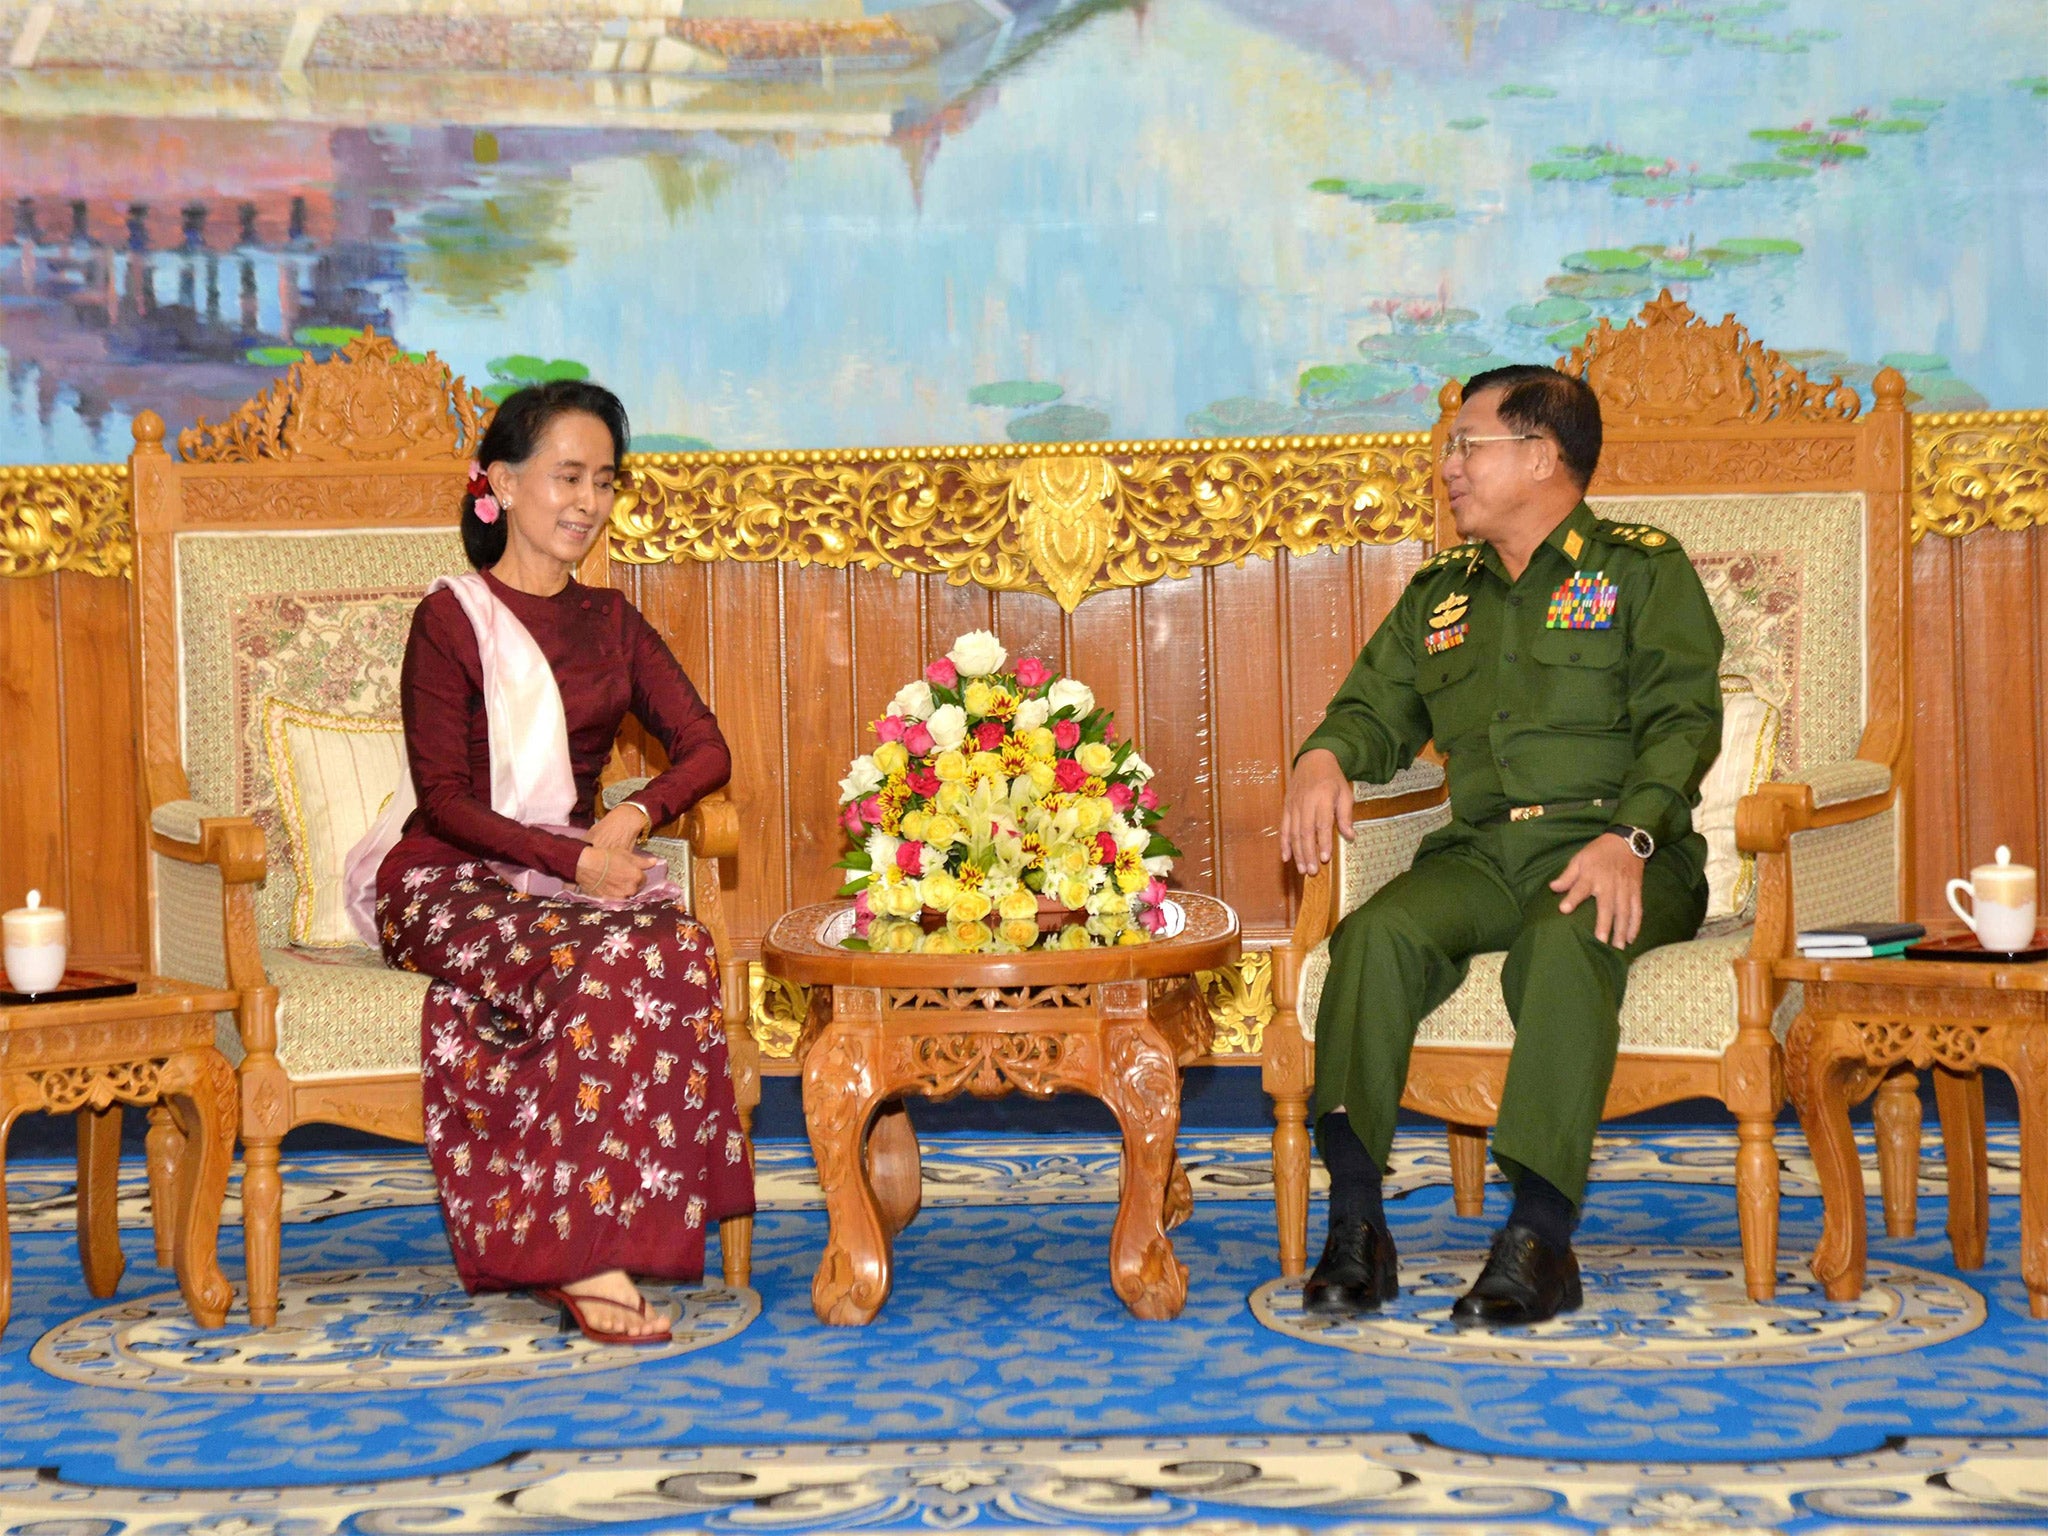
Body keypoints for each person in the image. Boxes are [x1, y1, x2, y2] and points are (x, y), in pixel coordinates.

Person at [1278, 364, 1723, 1327]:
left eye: (1466, 446)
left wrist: (1630, 835)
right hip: (1483, 851)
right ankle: (1358, 1223)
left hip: (1624, 847)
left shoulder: (1642, 568)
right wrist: (1323, 756)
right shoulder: (1443, 593)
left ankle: (1538, 1236)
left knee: (1564, 943)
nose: (1448, 466)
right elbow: (1373, 709)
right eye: (1450, 448)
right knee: (1375, 938)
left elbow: (1684, 722)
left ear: (1540, 455)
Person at [361, 380, 752, 1344]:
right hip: (447, 880)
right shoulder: (449, 619)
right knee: (608, 957)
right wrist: (572, 866)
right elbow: (445, 798)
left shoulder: (610, 622)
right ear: (500, 482)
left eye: (605, 481)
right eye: (566, 477)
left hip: (569, 876)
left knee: (679, 951)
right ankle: (585, 1261)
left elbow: (706, 749)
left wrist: (634, 814)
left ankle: (600, 1228)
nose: (587, 502)